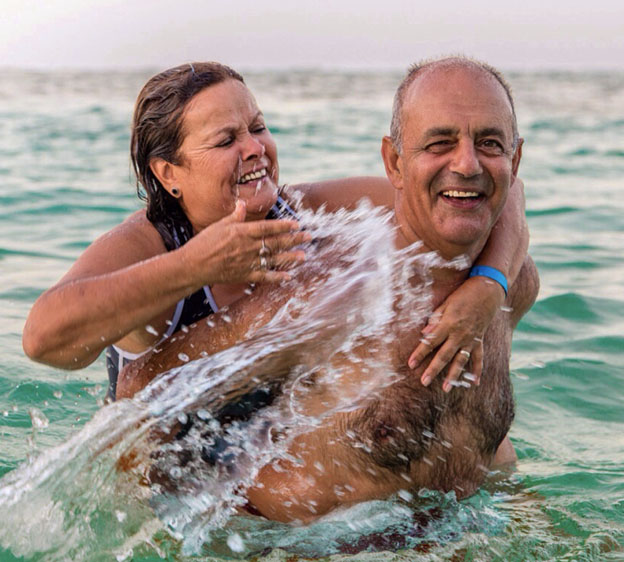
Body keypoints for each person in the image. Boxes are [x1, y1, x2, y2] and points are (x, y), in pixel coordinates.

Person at [117, 57, 540, 523]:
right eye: (440, 143)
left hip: (467, 524)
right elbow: (139, 393)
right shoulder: (332, 298)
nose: (467, 164)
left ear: (513, 160)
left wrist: (491, 283)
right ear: (395, 164)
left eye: (489, 144)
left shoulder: (514, 285)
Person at [22, 61, 527, 401]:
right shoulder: (151, 241)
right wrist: (197, 264)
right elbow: (43, 338)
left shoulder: (304, 210)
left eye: (258, 128)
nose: (255, 149)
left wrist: (489, 285)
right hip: (167, 504)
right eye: (226, 139)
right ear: (168, 173)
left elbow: (482, 191)